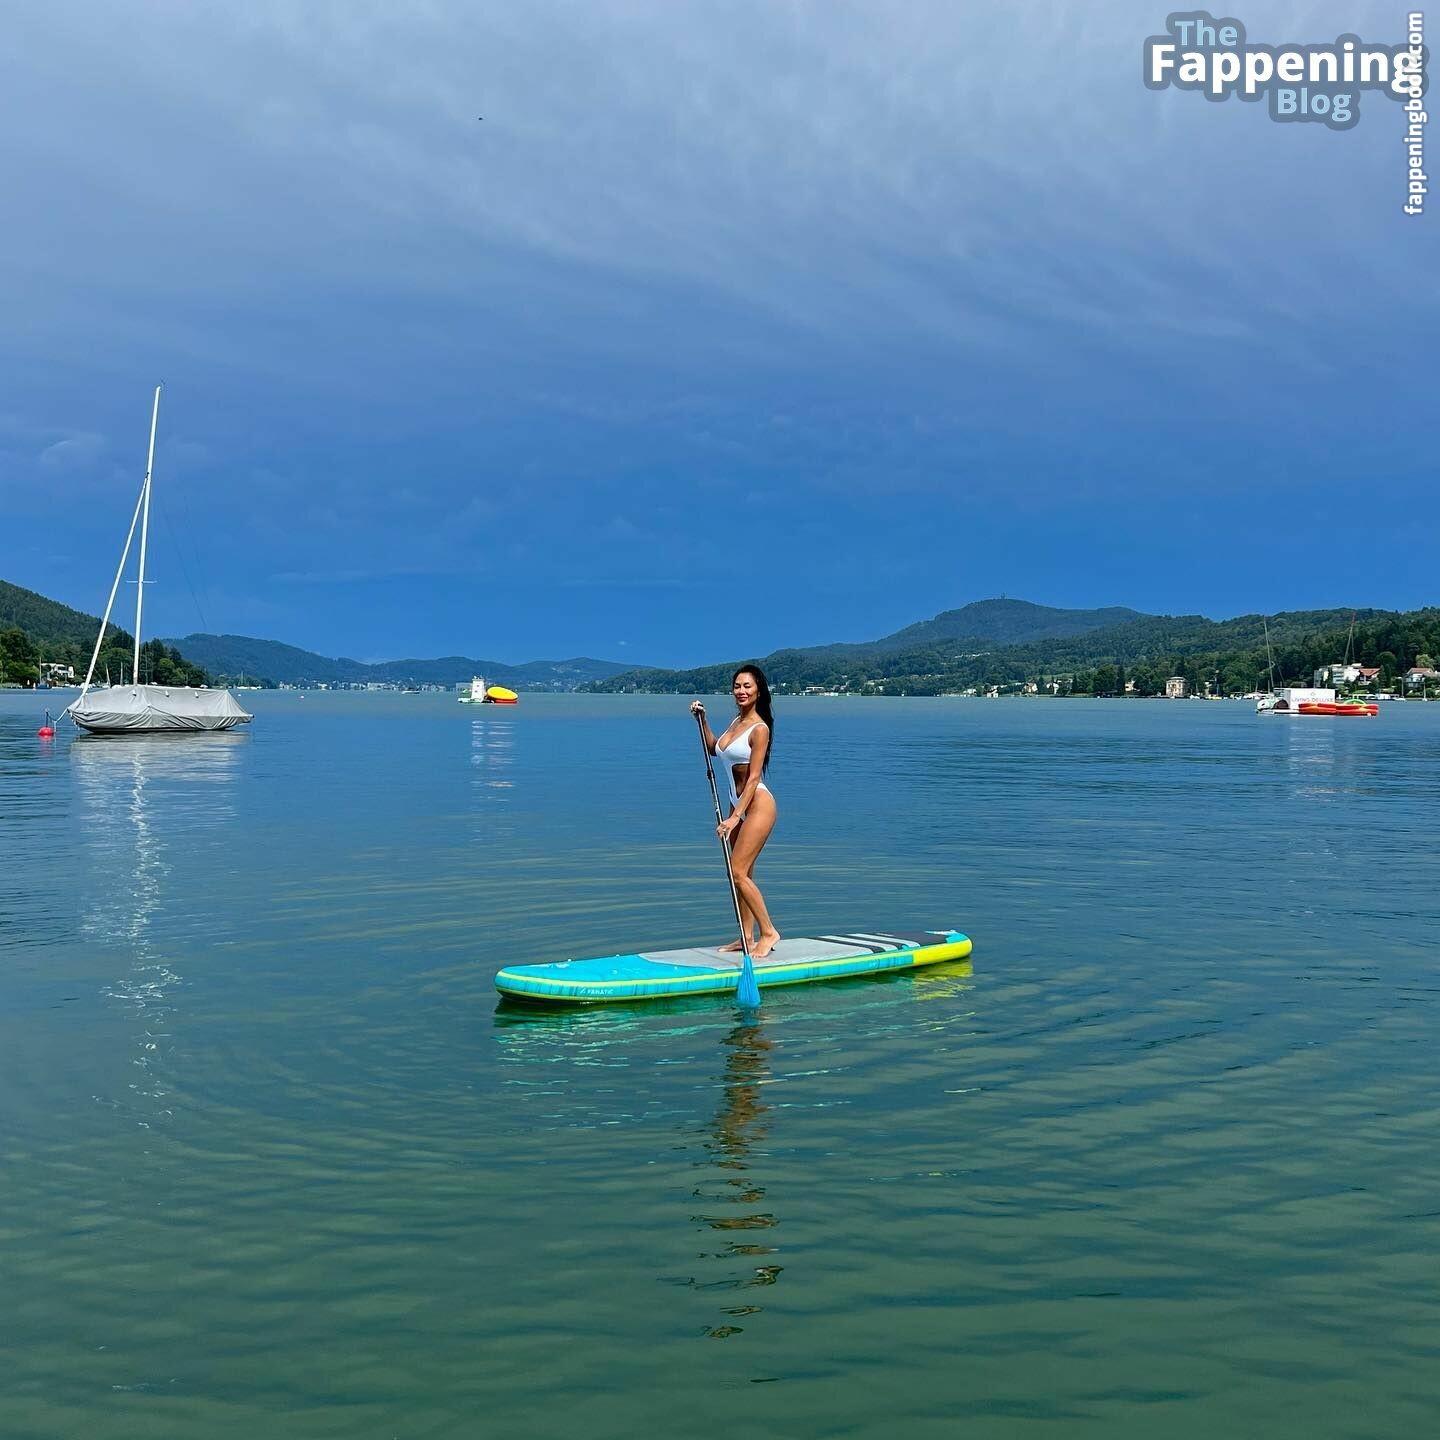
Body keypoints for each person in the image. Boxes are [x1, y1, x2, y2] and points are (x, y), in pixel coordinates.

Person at [690, 665, 781, 958]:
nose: (741, 691)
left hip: (757, 805)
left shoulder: (760, 729)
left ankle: (769, 932)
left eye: (747, 686)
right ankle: (746, 936)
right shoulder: (735, 723)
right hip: (737, 804)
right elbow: (714, 749)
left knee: (737, 871)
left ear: (759, 691)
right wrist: (702, 720)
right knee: (744, 873)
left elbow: (753, 778)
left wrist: (733, 817)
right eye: (737, 686)